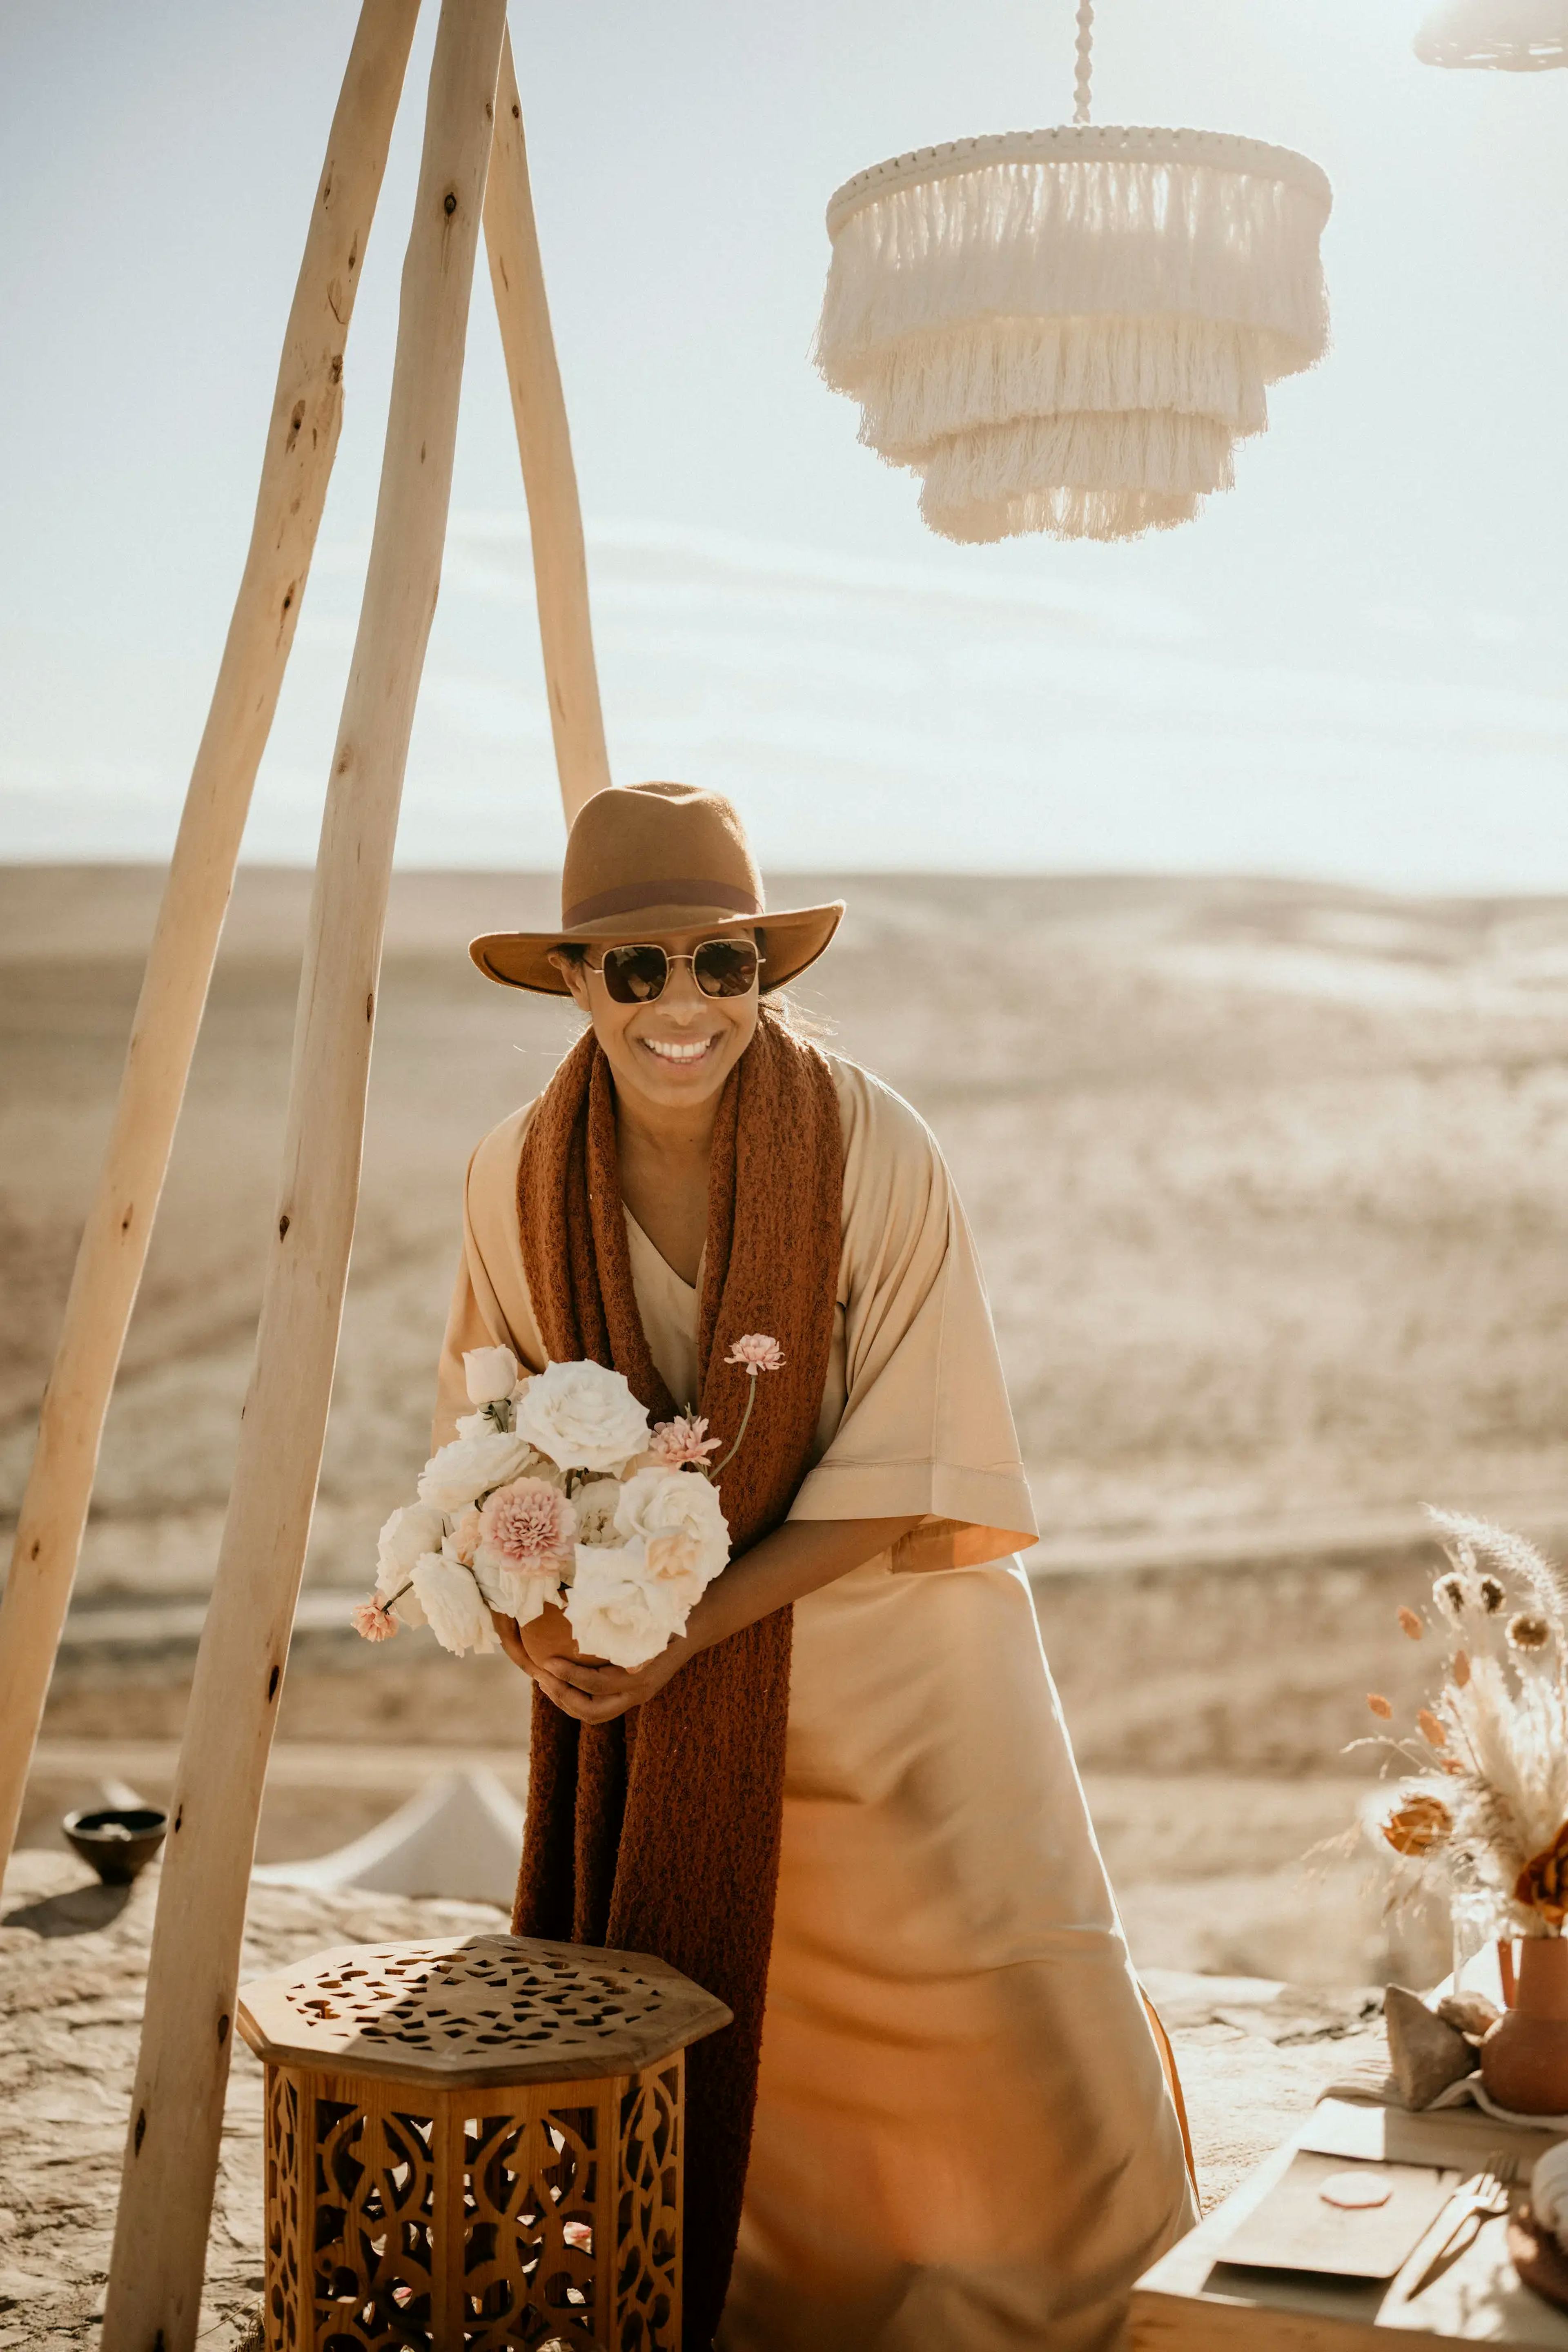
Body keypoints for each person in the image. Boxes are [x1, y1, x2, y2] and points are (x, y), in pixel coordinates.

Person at [436, 780, 1195, 2352]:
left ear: (763, 973)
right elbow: (493, 1448)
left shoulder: (872, 1143)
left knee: (1022, 2016)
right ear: (574, 983)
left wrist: (687, 1629)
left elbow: (917, 1458)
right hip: (669, 1677)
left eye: (721, 962)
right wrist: (543, 1630)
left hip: (910, 1666)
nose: (684, 1004)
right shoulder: (515, 1175)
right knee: (747, 2054)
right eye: (636, 970)